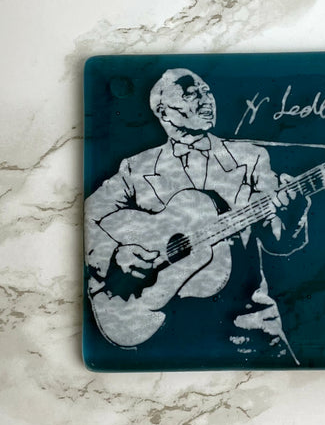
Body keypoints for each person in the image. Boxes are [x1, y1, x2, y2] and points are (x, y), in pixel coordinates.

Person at [84, 68, 311, 367]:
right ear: (163, 112)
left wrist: (294, 212)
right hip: (162, 329)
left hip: (245, 324)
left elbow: (278, 241)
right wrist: (115, 254)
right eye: (191, 94)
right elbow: (86, 217)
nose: (207, 101)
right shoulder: (136, 168)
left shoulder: (250, 158)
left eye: (207, 92)